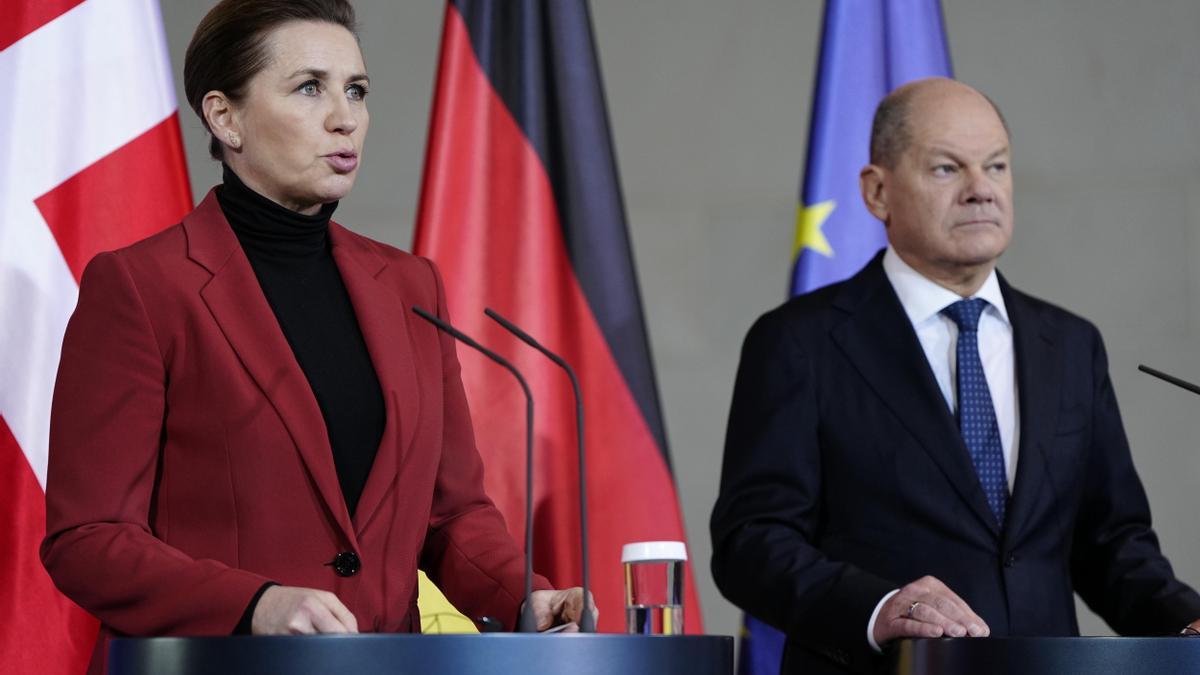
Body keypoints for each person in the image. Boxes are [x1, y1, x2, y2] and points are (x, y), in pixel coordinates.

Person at [40, 1, 591, 672]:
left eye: (355, 90)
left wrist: (525, 601)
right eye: (310, 88)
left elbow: (453, 519)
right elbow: (87, 538)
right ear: (224, 116)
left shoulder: (410, 286)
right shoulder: (142, 288)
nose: (345, 117)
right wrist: (256, 605)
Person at [710, 77, 1200, 675]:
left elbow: (1111, 544)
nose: (981, 191)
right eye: (947, 169)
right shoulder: (799, 342)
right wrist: (878, 606)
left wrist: (1184, 622)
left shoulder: (1070, 345)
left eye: (996, 166)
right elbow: (752, 542)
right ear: (877, 191)